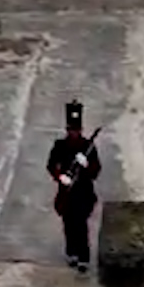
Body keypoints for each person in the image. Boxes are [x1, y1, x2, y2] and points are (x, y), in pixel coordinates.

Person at [46, 101, 102, 274]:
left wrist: (86, 166)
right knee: (68, 224)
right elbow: (51, 165)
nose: (74, 133)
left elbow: (96, 170)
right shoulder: (59, 146)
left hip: (83, 191)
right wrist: (60, 177)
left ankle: (83, 257)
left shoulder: (88, 147)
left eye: (76, 130)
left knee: (81, 225)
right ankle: (71, 253)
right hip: (66, 191)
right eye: (71, 130)